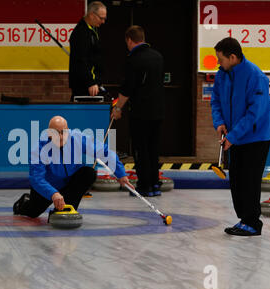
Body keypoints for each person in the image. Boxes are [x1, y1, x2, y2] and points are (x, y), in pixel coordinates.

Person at [211, 37, 270, 236]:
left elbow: (255, 113)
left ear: (233, 57)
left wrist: (233, 136)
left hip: (255, 138)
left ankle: (253, 223)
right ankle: (244, 219)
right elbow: (216, 101)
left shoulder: (255, 76)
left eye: (221, 59)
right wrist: (219, 123)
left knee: (250, 180)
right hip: (234, 137)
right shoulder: (222, 75)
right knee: (236, 180)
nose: (218, 62)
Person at [13, 115, 131, 218]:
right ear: (49, 133)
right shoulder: (38, 148)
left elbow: (104, 151)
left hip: (69, 185)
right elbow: (36, 179)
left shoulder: (78, 138)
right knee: (33, 213)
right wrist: (53, 193)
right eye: (55, 132)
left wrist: (121, 173)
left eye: (63, 132)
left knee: (88, 173)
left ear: (68, 131)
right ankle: (24, 203)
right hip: (48, 187)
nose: (59, 136)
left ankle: (63, 210)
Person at [111, 25, 165, 197]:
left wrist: (118, 108)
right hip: (158, 110)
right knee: (153, 148)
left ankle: (144, 186)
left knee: (141, 149)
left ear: (129, 40)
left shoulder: (133, 59)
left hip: (141, 112)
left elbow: (127, 88)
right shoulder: (158, 57)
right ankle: (155, 184)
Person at [69, 1, 107, 100]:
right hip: (86, 86)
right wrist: (90, 82)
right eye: (101, 18)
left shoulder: (92, 29)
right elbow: (81, 60)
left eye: (104, 18)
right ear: (91, 15)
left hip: (93, 84)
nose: (103, 21)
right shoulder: (81, 33)